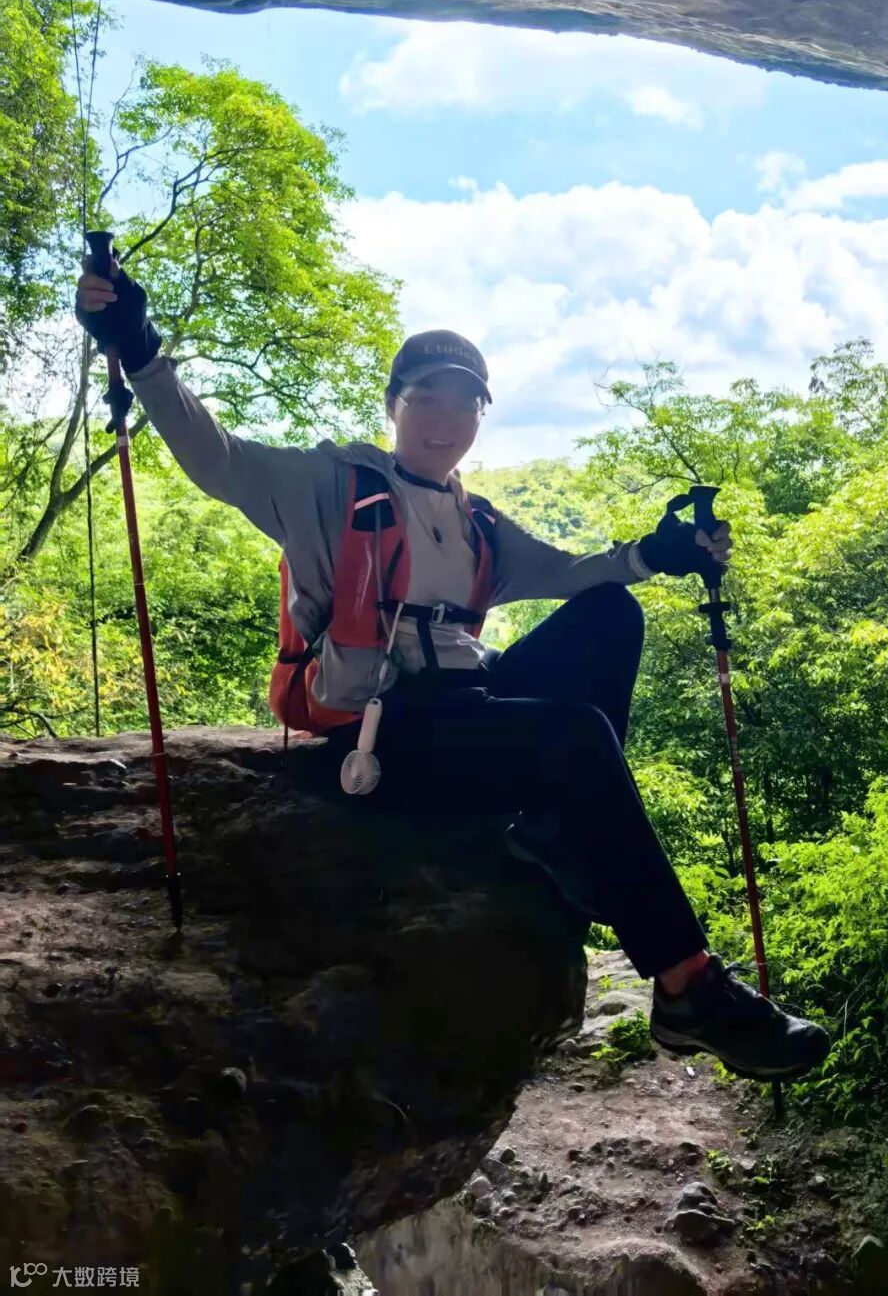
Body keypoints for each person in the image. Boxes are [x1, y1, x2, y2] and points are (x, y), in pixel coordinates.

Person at [75, 258, 830, 1082]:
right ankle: (686, 985)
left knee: (612, 614)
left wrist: (656, 553)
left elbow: (569, 572)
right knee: (576, 735)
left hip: (464, 708)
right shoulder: (328, 485)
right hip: (381, 735)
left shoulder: (476, 521)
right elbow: (215, 455)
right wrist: (140, 349)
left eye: (465, 401)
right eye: (426, 397)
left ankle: (550, 832)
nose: (446, 418)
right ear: (393, 404)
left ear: (481, 415)